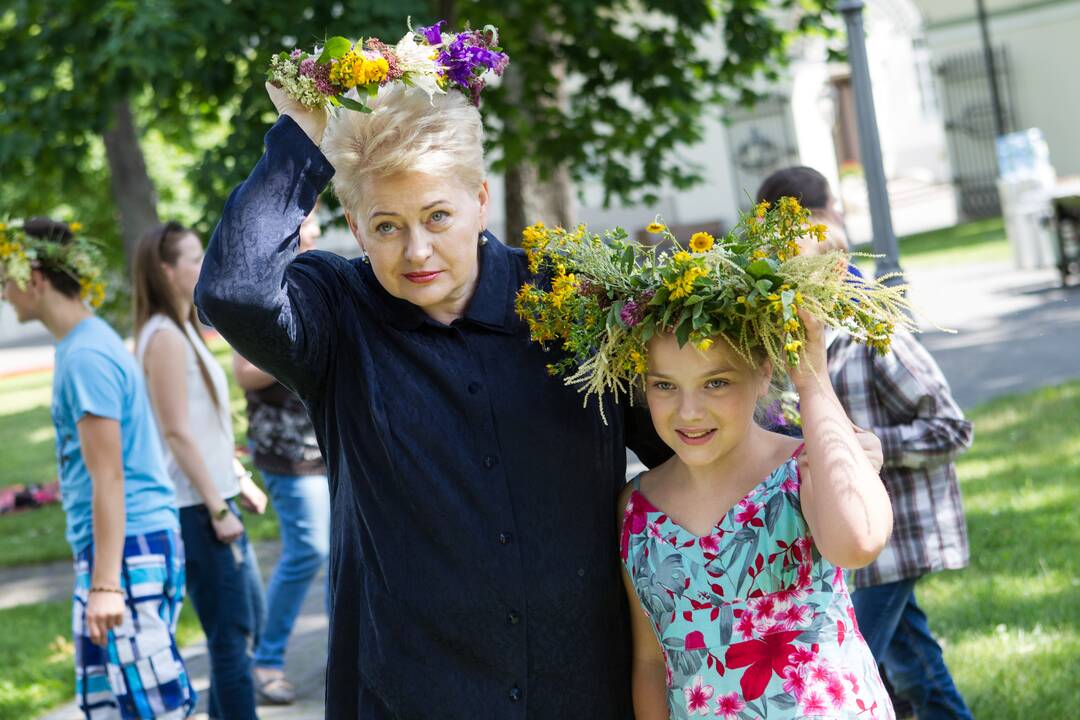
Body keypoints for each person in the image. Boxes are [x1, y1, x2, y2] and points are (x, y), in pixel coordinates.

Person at [193, 34, 671, 719]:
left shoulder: (571, 303)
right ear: (356, 229)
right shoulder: (338, 314)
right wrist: (304, 131)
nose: (416, 250)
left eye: (438, 216)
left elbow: (685, 440)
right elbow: (235, 289)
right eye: (387, 227)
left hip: (585, 693)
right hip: (411, 695)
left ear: (479, 200)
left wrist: (800, 449)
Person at [757, 166, 975, 720]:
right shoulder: (788, 349)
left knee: (855, 665)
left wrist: (862, 448)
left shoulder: (872, 340)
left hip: (898, 539)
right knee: (915, 666)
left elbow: (951, 428)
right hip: (848, 543)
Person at [620, 318, 896, 718]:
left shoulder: (803, 466)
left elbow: (859, 543)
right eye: (665, 385)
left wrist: (813, 381)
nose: (690, 410)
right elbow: (650, 660)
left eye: (716, 382)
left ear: (764, 372)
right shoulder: (636, 508)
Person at [1, 218, 195, 719]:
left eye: (6, 278)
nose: (4, 293)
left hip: (128, 553)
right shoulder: (81, 346)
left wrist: (106, 585)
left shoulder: (86, 355)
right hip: (118, 553)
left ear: (35, 277)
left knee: (153, 708)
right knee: (113, 707)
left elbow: (109, 476)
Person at [132, 221, 266, 720]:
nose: (204, 264)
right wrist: (216, 506)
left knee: (245, 624)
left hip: (216, 496)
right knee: (231, 638)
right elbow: (176, 431)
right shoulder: (163, 336)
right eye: (193, 258)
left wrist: (238, 477)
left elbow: (205, 419)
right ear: (166, 272)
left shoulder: (185, 327)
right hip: (196, 507)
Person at [233, 206, 329, 705]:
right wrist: (293, 346)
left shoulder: (325, 278)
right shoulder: (264, 283)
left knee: (344, 551)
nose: (311, 236)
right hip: (286, 450)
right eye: (304, 229)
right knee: (310, 548)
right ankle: (266, 661)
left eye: (315, 228)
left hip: (332, 443)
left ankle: (344, 655)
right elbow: (244, 373)